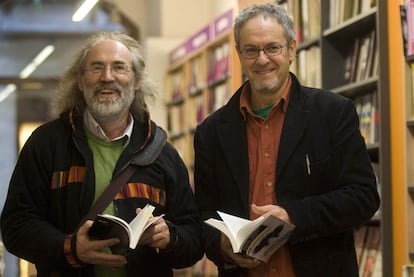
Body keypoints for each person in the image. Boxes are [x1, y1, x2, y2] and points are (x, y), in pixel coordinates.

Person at [193, 3, 380, 277]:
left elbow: (363, 197)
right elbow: (202, 218)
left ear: (292, 49)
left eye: (272, 47)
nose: (262, 59)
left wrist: (292, 216)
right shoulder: (211, 132)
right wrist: (221, 246)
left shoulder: (333, 113)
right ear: (239, 55)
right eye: (251, 50)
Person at [1, 31, 203, 277]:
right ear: (80, 80)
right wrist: (70, 248)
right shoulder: (46, 143)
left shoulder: (163, 153)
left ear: (136, 80)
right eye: (96, 68)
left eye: (119, 68)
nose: (107, 77)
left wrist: (170, 237)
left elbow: (194, 241)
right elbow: (15, 226)